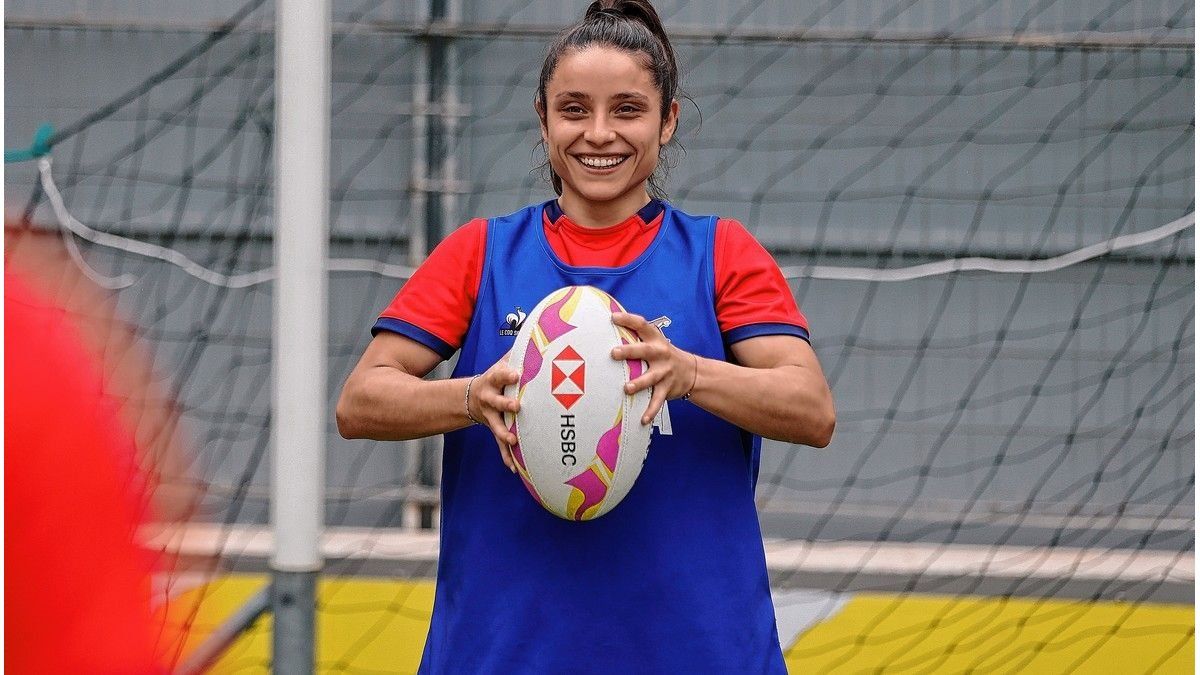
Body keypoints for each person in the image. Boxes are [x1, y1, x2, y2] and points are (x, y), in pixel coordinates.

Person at [337, 1, 835, 671]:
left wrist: (688, 373)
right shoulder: (482, 252)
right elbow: (361, 401)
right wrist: (471, 398)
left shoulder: (720, 254)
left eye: (627, 110)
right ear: (543, 119)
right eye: (574, 110)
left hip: (697, 654)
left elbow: (812, 409)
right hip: (502, 654)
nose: (599, 134)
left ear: (668, 120)